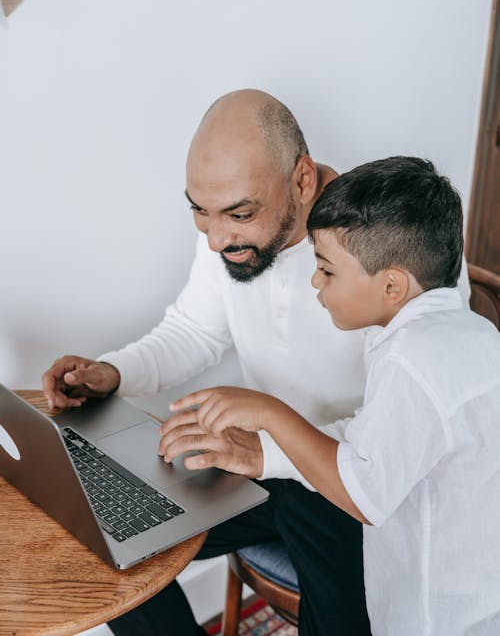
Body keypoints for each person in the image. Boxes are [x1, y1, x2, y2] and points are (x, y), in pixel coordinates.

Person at [43, 89, 373, 635]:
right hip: (259, 466)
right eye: (200, 211)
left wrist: (270, 447)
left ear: (303, 180)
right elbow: (195, 329)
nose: (217, 237)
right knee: (109, 534)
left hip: (348, 477)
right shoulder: (229, 229)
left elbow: (403, 424)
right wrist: (114, 373)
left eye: (239, 214)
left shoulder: (389, 242)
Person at [163, 157, 500, 636]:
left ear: (391, 285)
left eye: (326, 270)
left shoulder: (411, 359)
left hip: (434, 614)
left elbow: (363, 494)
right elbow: (377, 438)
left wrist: (270, 414)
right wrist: (266, 452)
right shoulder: (468, 332)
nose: (315, 283)